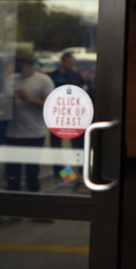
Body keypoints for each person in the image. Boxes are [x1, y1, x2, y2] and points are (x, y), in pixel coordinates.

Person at [3, 48, 55, 193]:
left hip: (34, 134)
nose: (14, 64)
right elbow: (3, 103)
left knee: (32, 174)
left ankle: (33, 206)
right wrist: (5, 101)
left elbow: (52, 105)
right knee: (12, 175)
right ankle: (14, 208)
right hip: (12, 133)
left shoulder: (43, 80)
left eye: (17, 61)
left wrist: (29, 99)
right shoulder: (11, 79)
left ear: (26, 62)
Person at [48, 52, 85, 185]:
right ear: (63, 61)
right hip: (57, 114)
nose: (71, 65)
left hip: (73, 115)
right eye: (69, 62)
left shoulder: (75, 76)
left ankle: (79, 174)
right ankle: (63, 174)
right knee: (57, 146)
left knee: (76, 146)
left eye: (72, 62)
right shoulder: (53, 76)